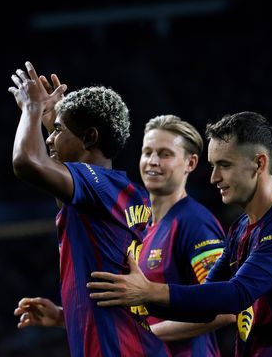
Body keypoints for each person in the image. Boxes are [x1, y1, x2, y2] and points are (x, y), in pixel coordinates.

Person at [87, 111, 272, 356]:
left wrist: (149, 292)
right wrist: (136, 301)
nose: (214, 178)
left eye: (224, 165)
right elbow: (204, 302)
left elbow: (236, 295)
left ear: (259, 163)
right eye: (213, 166)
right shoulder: (240, 229)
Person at [15, 114, 236, 356]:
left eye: (165, 154)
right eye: (147, 152)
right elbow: (133, 307)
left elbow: (223, 309)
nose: (152, 161)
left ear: (190, 163)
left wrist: (145, 334)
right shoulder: (138, 219)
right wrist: (61, 316)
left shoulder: (195, 222)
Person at [7, 61, 171, 357]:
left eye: (57, 130)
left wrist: (31, 108)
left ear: (90, 138)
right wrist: (62, 315)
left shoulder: (93, 185)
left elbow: (27, 162)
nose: (49, 138)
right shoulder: (126, 193)